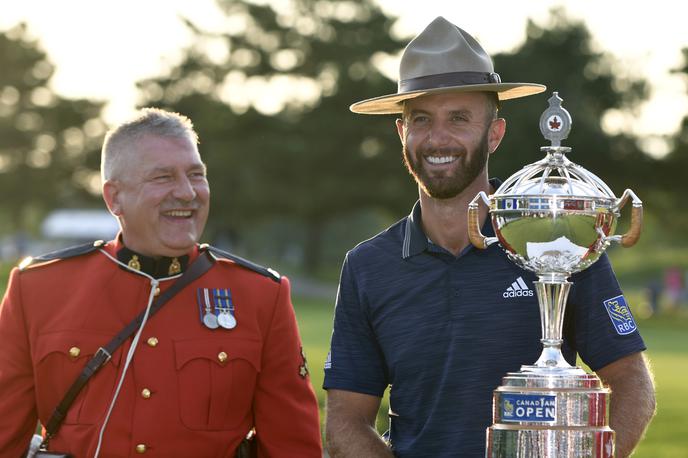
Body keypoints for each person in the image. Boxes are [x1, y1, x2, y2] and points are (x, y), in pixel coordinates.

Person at [323, 17, 655, 458]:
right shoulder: (367, 266)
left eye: (459, 118)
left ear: (493, 133)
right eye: (421, 119)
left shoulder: (556, 238)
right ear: (402, 133)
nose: (438, 137)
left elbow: (632, 382)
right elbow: (345, 420)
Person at [0, 108, 322, 457]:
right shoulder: (39, 289)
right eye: (163, 177)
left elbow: (294, 448)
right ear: (114, 198)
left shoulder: (260, 296)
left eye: (196, 175)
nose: (187, 193)